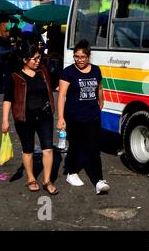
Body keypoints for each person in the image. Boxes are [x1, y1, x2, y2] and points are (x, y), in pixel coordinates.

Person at [1, 44, 58, 195]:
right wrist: (5, 120)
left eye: (39, 58)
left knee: (48, 148)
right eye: (35, 58)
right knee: (28, 150)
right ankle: (31, 178)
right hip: (24, 118)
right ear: (25, 59)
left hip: (45, 116)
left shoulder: (43, 71)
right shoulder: (15, 76)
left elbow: (54, 85)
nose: (38, 61)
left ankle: (47, 180)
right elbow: (8, 99)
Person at [56, 39, 110, 195]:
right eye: (76, 56)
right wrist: (60, 117)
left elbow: (99, 88)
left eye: (82, 57)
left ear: (88, 56)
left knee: (93, 148)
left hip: (92, 116)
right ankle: (71, 172)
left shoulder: (96, 70)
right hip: (74, 117)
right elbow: (62, 95)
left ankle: (99, 181)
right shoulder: (68, 72)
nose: (79, 60)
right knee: (76, 146)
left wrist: (101, 101)